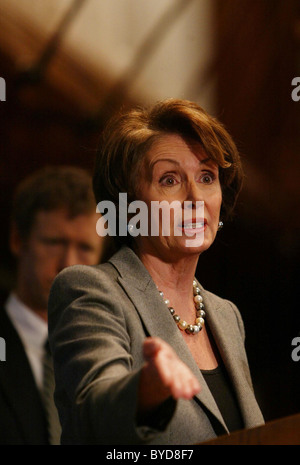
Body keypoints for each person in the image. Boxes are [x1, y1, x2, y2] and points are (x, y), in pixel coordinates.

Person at [48, 99, 264, 445]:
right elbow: (92, 414)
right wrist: (144, 391)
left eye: (207, 177)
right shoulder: (90, 291)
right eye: (169, 180)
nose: (195, 197)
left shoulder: (226, 315)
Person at [0, 166, 104, 445]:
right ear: (18, 240)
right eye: (54, 243)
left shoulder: (111, 355)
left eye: (85, 248)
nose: (68, 264)